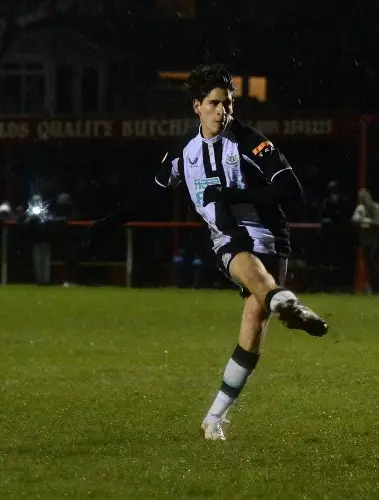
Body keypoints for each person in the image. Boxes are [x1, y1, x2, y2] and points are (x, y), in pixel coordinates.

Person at [83, 63, 328, 441]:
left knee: (253, 327)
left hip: (270, 237)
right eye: (214, 103)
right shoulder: (183, 151)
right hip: (228, 240)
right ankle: (287, 303)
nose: (222, 111)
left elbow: (291, 190)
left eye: (227, 104)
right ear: (197, 106)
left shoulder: (250, 142)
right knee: (254, 279)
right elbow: (152, 198)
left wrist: (235, 194)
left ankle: (214, 416)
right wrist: (107, 223)